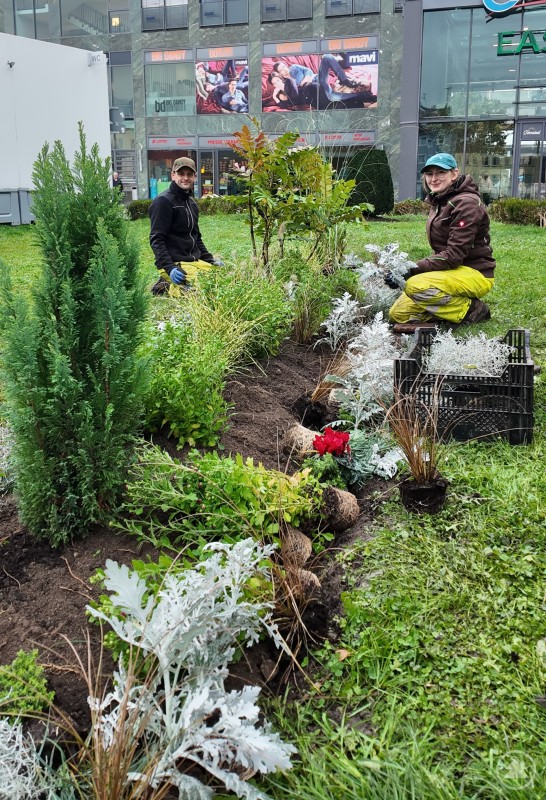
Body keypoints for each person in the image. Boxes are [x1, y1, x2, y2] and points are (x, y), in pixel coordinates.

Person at [387, 153, 495, 328]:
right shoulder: (442, 201)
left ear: (454, 174)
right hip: (452, 270)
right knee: (398, 314)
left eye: (440, 172)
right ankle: (449, 307)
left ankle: (472, 309)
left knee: (416, 285)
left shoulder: (466, 204)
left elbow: (453, 255)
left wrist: (411, 269)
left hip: (475, 273)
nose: (434, 178)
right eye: (429, 174)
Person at [149, 157, 223, 296]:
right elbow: (156, 239)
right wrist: (170, 268)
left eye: (189, 174)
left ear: (195, 177)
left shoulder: (192, 204)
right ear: (173, 175)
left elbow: (196, 238)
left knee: (220, 278)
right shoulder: (163, 202)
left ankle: (169, 284)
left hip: (192, 261)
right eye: (181, 174)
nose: (185, 178)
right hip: (174, 263)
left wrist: (211, 260)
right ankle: (167, 285)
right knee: (204, 289)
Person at [272, 54, 377, 109]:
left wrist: (306, 80)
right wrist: (274, 96)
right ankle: (369, 97)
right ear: (279, 73)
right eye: (281, 70)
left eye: (284, 66)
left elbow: (308, 71)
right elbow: (289, 101)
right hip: (319, 92)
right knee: (333, 98)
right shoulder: (287, 85)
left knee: (327, 57)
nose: (285, 69)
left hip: (319, 80)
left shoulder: (294, 68)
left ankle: (346, 81)